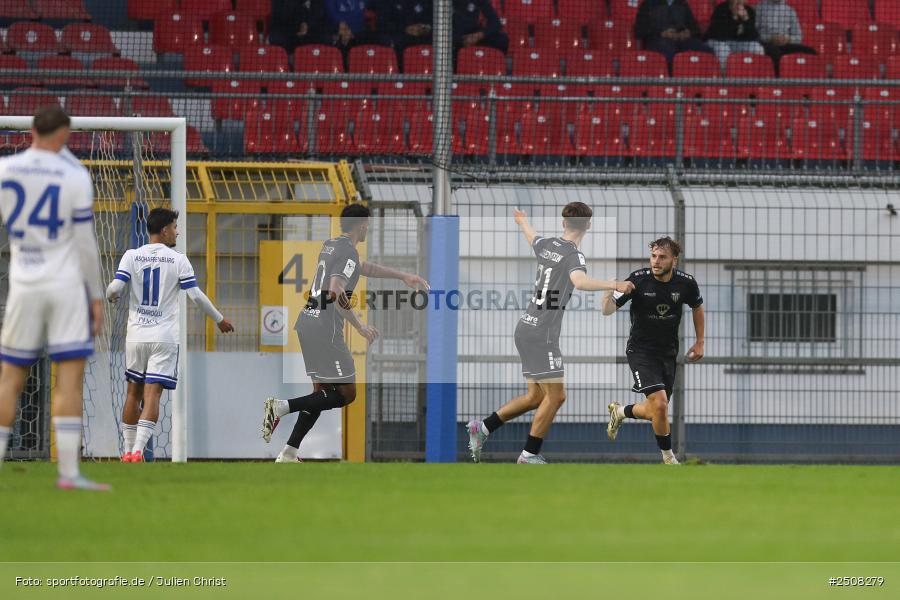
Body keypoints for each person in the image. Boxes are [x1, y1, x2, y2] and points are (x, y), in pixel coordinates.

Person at [466, 204, 634, 464]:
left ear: (563, 223)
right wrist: (614, 284)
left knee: (536, 396)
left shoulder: (547, 245)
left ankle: (483, 427)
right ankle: (529, 454)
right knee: (556, 396)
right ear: (588, 225)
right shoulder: (573, 256)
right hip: (542, 333)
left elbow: (531, 235)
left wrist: (521, 220)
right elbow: (579, 281)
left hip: (525, 327)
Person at [261, 203, 429, 462]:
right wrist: (360, 325)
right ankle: (281, 407)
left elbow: (365, 267)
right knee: (347, 393)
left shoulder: (331, 244)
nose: (368, 230)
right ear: (362, 224)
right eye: (368, 225)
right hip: (325, 328)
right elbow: (336, 290)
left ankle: (289, 452)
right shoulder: (348, 252)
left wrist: (403, 276)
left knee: (321, 394)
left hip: (308, 320)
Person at [0, 105, 107, 490]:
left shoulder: (5, 170)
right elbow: (85, 244)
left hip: (23, 284)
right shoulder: (74, 174)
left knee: (9, 377)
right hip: (64, 286)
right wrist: (95, 297)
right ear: (64, 134)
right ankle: (69, 473)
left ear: (31, 129)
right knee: (70, 379)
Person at [106, 208, 234, 463]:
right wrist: (220, 320)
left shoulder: (132, 255)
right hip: (163, 336)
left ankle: (127, 452)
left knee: (133, 392)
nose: (177, 231)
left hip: (136, 336)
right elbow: (196, 296)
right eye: (175, 227)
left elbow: (115, 287)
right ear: (164, 230)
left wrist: (112, 296)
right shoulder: (178, 260)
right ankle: (139, 452)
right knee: (153, 394)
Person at [602, 237, 704, 465]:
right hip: (641, 351)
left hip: (668, 353)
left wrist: (700, 342)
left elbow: (697, 306)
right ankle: (669, 458)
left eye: (662, 257)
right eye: (653, 256)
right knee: (660, 404)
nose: (656, 262)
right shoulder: (638, 280)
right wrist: (608, 290)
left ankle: (620, 412)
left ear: (674, 261)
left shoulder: (686, 283)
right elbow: (607, 310)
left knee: (656, 410)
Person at [635, 0, 713, 68]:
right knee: (668, 50)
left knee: (705, 49)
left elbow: (695, 28)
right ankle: (670, 81)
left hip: (682, 41)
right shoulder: (648, 4)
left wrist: (688, 33)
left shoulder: (682, 3)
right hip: (657, 41)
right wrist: (662, 33)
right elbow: (640, 30)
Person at [755, 0, 816, 70]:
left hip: (785, 44)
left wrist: (788, 39)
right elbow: (754, 34)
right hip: (766, 44)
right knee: (775, 53)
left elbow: (798, 36)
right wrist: (770, 38)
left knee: (810, 51)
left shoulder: (790, 11)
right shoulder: (758, 9)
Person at [706, 0, 765, 69]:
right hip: (717, 41)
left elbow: (753, 36)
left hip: (738, 43)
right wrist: (734, 17)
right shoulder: (721, 9)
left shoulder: (749, 11)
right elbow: (719, 34)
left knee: (757, 48)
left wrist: (745, 19)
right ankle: (724, 78)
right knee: (723, 50)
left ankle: (755, 76)